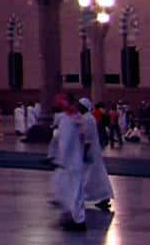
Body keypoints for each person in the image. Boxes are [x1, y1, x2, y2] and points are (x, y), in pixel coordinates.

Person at [51, 96, 88, 231]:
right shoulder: (77, 118)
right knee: (76, 192)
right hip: (76, 161)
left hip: (70, 163)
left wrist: (61, 160)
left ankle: (77, 220)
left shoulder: (67, 120)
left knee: (73, 193)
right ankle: (76, 218)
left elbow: (64, 143)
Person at [78, 98, 113, 212]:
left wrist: (84, 152)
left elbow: (87, 138)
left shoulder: (87, 119)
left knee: (88, 176)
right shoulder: (88, 117)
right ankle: (104, 197)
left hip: (90, 151)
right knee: (97, 175)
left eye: (79, 105)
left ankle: (82, 197)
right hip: (93, 150)